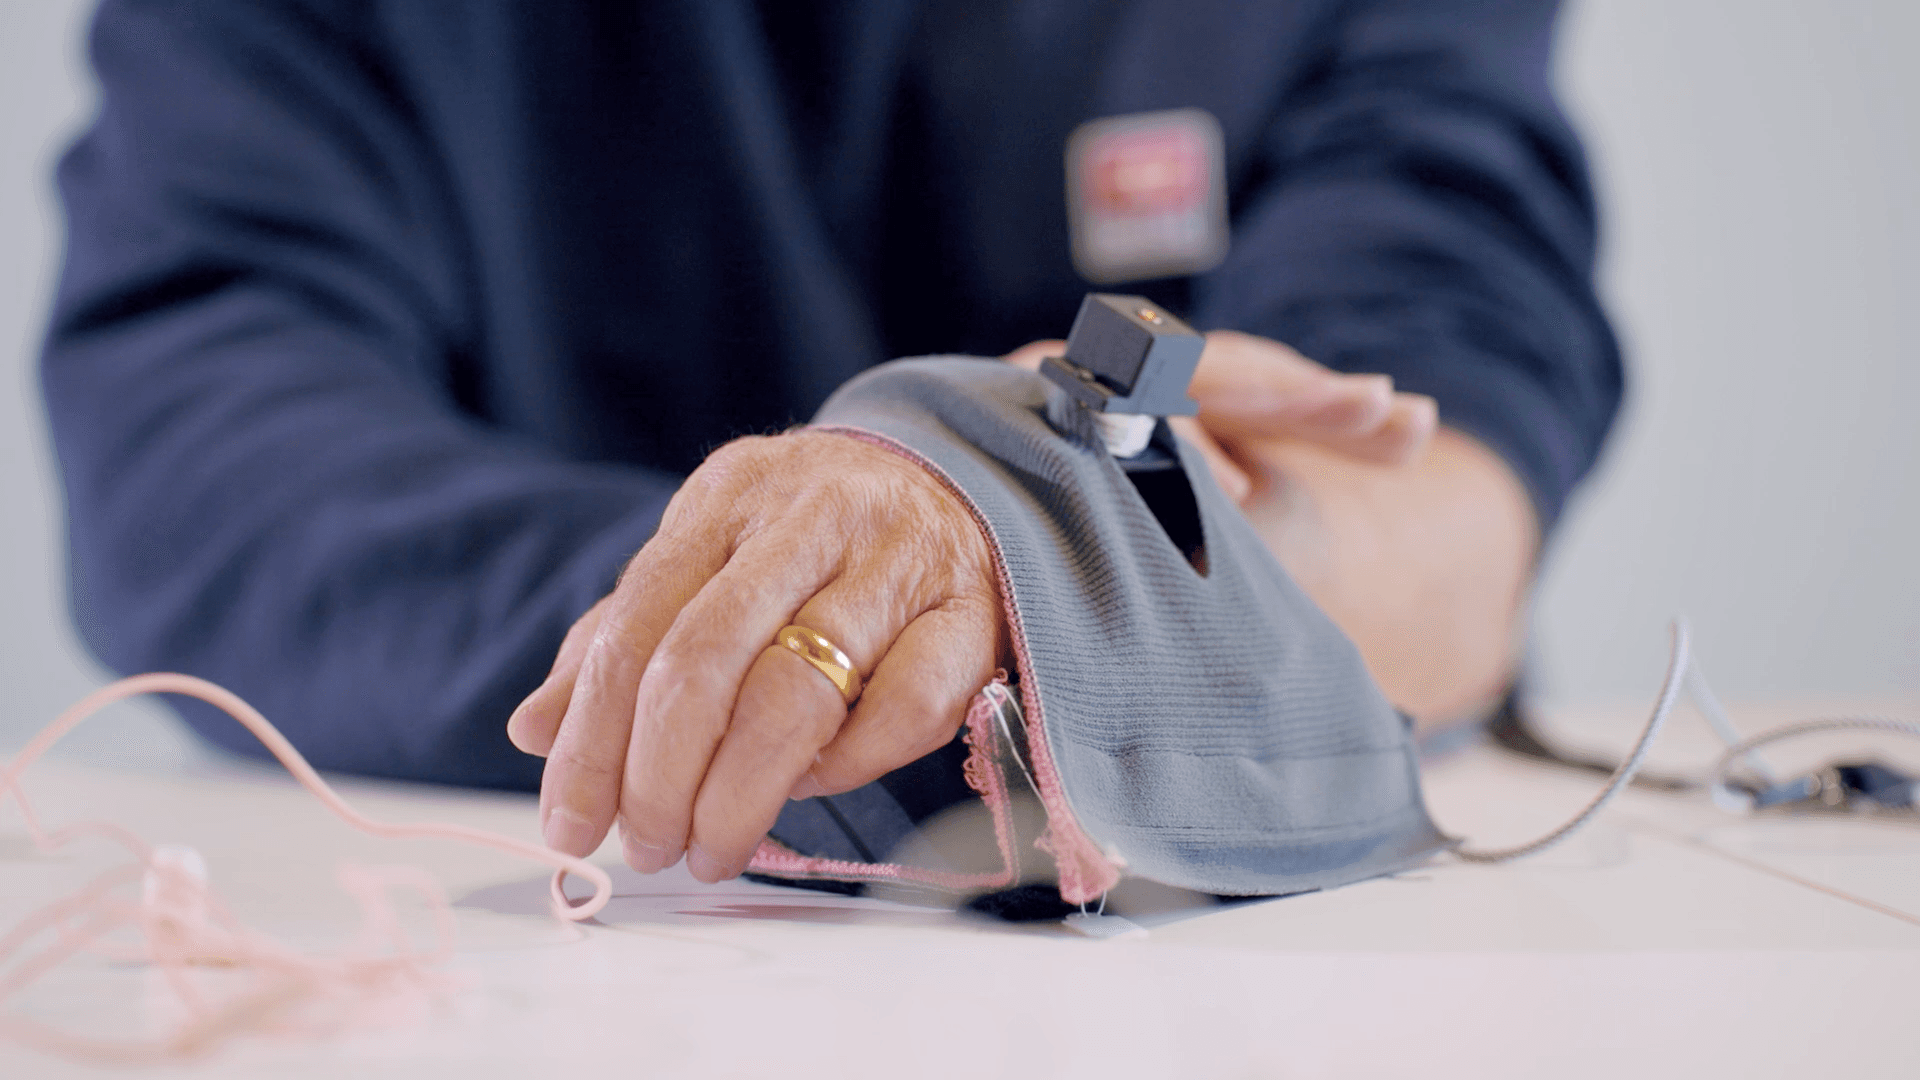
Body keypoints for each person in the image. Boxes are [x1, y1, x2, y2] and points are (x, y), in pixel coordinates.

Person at [40, 0, 1618, 885]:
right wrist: (799, 606)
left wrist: (1041, 558)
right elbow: (199, 435)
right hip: (576, 949)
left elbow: (1433, 445)